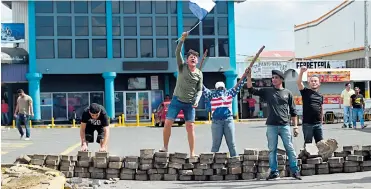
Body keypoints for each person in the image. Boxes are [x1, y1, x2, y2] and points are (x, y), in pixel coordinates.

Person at [247, 70, 301, 180]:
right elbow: (251, 90)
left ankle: (295, 171)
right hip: (271, 125)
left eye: (276, 77)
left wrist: (295, 126)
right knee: (272, 149)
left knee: (290, 148)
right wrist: (249, 76)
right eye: (272, 78)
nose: (274, 79)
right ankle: (274, 172)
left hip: (285, 125)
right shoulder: (268, 91)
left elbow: (293, 111)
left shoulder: (288, 93)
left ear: (281, 79)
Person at [161, 32, 203, 157]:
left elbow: (199, 89)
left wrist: (197, 100)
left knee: (190, 127)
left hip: (190, 103)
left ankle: (192, 152)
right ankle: (165, 147)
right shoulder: (182, 67)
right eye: (191, 56)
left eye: (195, 57)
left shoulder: (199, 73)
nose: (193, 58)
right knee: (168, 122)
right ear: (186, 59)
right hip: (177, 100)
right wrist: (182, 39)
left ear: (197, 60)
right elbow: (177, 52)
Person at [203, 68, 249, 157]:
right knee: (217, 145)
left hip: (227, 120)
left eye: (221, 88)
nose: (220, 90)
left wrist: (245, 75)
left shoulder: (227, 93)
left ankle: (235, 162)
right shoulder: (213, 94)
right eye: (219, 88)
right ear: (216, 88)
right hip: (217, 121)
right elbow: (202, 88)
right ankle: (213, 165)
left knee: (231, 144)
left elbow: (239, 84)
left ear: (224, 88)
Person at [296, 66, 324, 144]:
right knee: (308, 145)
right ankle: (307, 156)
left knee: (321, 144)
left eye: (315, 81)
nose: (314, 82)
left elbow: (321, 108)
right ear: (309, 83)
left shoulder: (320, 95)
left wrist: (322, 120)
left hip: (318, 124)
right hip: (307, 124)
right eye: (312, 81)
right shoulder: (305, 92)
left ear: (319, 83)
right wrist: (301, 72)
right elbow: (298, 83)